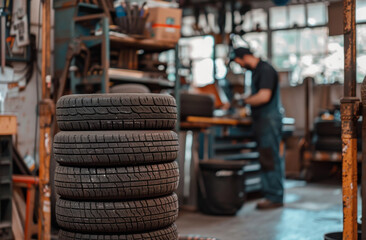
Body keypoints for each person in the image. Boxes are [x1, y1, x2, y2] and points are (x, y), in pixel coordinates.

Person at [232, 47, 284, 210]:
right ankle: (271, 193)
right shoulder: (255, 71)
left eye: (239, 61)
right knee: (266, 157)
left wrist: (244, 101)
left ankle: (274, 196)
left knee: (270, 158)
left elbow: (264, 96)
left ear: (245, 57)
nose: (240, 65)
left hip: (269, 120)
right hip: (262, 120)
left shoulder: (265, 70)